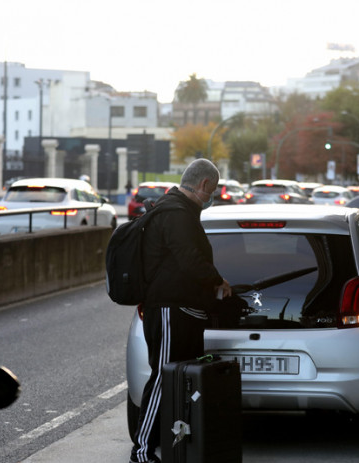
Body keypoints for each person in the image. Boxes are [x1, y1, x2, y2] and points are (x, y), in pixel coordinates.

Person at [130, 158, 232, 463]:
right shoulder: (176, 214)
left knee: (180, 381)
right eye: (211, 190)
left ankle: (178, 442)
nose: (210, 196)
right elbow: (188, 259)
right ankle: (143, 451)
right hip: (169, 311)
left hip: (183, 311)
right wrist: (219, 281)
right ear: (203, 185)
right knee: (163, 378)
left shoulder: (180, 211)